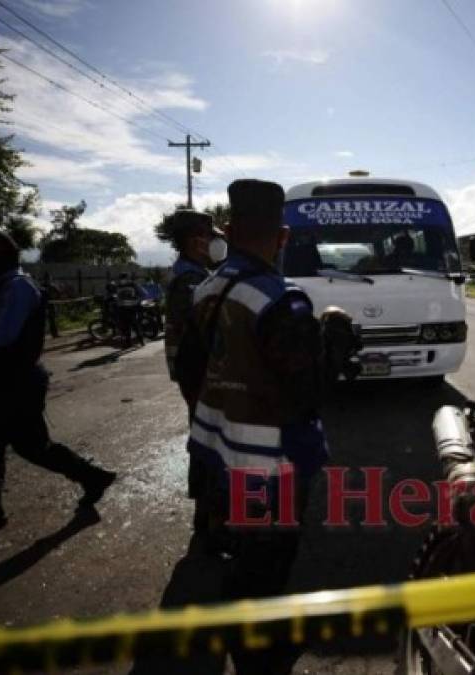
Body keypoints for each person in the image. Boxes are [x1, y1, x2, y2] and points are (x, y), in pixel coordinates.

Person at [186, 179, 355, 672]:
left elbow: (193, 372)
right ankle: (259, 655)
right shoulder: (282, 300)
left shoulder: (206, 288)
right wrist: (336, 336)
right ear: (282, 237)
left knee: (244, 550)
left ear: (230, 231)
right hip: (269, 465)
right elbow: (309, 390)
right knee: (267, 563)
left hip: (218, 450)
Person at [0, 232, 116, 534]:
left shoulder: (18, 288)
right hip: (6, 378)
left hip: (15, 380)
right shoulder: (1, 286)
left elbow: (4, 334)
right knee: (28, 446)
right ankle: (91, 476)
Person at [163, 209, 225, 532]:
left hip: (193, 372)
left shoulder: (194, 273)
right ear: (193, 240)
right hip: (198, 373)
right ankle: (210, 521)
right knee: (208, 441)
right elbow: (202, 331)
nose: (214, 242)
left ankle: (208, 515)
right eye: (208, 236)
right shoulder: (191, 279)